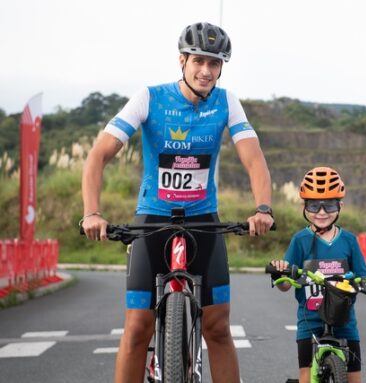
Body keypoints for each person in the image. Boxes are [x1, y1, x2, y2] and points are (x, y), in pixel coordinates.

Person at [80, 22, 274, 383]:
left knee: (217, 327)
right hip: (152, 220)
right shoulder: (150, 98)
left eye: (214, 64)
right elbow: (98, 157)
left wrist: (263, 208)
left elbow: (253, 158)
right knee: (138, 327)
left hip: (205, 221)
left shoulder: (226, 102)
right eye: (199, 60)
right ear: (182, 60)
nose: (206, 70)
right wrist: (92, 212)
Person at [270, 166, 366, 383]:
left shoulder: (349, 241)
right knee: (306, 376)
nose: (322, 212)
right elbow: (286, 283)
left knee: (354, 379)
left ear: (340, 205)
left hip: (344, 320)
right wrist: (280, 273)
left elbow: (363, 278)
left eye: (329, 205)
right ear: (304, 206)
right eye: (314, 205)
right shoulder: (300, 240)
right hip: (310, 320)